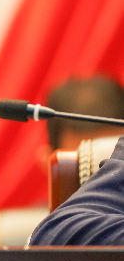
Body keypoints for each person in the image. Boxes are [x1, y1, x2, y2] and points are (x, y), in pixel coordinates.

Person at [28, 76, 124, 246]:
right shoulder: (48, 234)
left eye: (114, 159)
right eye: (82, 168)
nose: (104, 175)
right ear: (47, 162)